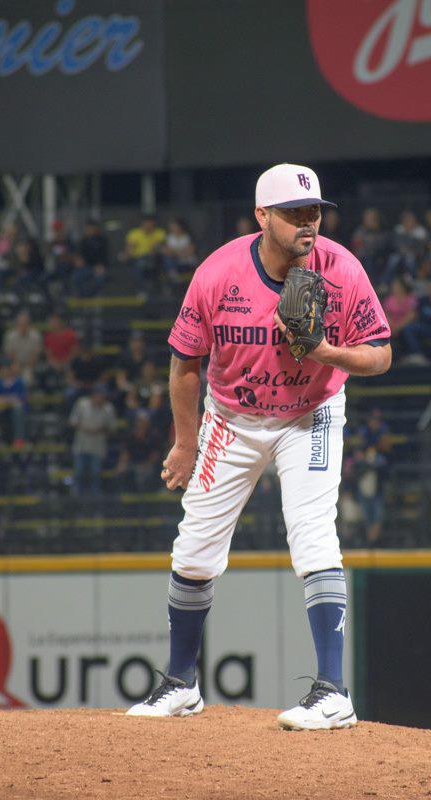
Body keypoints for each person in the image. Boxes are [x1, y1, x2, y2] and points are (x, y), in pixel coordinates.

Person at [126, 163, 391, 730]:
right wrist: (183, 442)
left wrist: (327, 354)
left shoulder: (341, 268)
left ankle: (333, 692)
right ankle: (181, 684)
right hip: (233, 416)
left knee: (313, 533)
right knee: (194, 547)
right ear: (262, 216)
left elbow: (380, 353)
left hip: (311, 413)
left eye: (313, 211)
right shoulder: (218, 273)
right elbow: (183, 364)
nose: (307, 223)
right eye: (293, 213)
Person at [69, 384, 117, 495]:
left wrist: (100, 429)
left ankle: (93, 503)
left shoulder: (108, 408)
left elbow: (112, 429)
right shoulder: (82, 404)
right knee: (79, 474)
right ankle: (76, 502)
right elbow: (72, 422)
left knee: (95, 475)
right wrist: (86, 428)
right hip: (81, 446)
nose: (101, 398)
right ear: (94, 395)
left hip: (97, 448)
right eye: (99, 395)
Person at [0, 359, 28, 445]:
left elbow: (21, 399)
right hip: (0, 410)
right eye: (2, 369)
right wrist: (8, 400)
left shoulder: (19, 382)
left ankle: (19, 439)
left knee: (18, 409)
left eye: (6, 369)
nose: (4, 371)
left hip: (15, 411)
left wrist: (1, 399)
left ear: (10, 370)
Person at [2, 310, 43, 381]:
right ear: (17, 324)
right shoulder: (10, 336)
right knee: (7, 372)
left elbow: (35, 355)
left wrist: (26, 367)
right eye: (21, 324)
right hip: (14, 363)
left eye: (25, 324)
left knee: (27, 378)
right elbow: (10, 354)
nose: (23, 326)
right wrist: (15, 365)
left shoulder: (36, 336)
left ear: (29, 324)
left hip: (31, 365)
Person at [74, 220, 110, 296]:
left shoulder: (102, 240)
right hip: (86, 267)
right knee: (76, 277)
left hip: (100, 267)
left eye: (91, 228)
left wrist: (101, 265)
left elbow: (105, 256)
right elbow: (80, 255)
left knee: (99, 280)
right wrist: (79, 260)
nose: (89, 230)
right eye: (88, 228)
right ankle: (82, 296)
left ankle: (90, 296)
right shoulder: (84, 241)